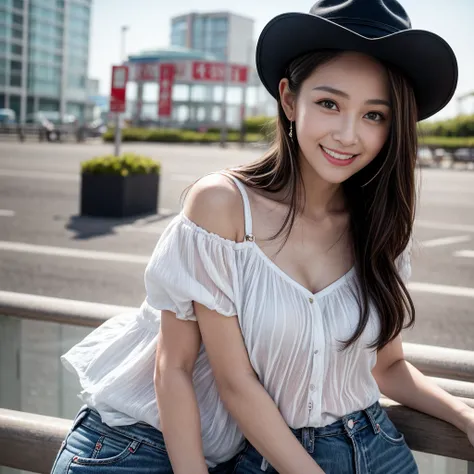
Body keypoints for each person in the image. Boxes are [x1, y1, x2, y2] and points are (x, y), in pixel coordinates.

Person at [51, 1, 474, 474]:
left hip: (251, 450)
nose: (348, 135)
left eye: (375, 115)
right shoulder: (223, 207)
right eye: (329, 104)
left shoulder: (380, 228)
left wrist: (464, 416)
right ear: (290, 100)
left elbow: (388, 366)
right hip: (133, 443)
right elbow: (202, 375)